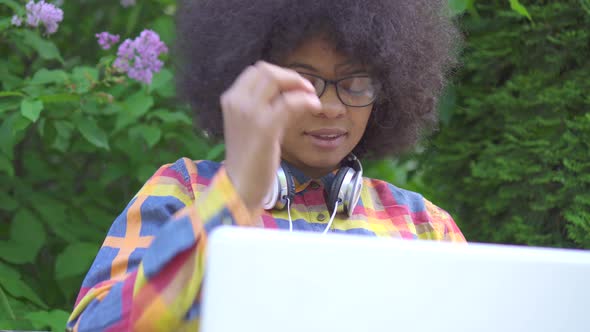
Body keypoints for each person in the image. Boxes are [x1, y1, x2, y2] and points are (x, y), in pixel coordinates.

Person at [67, 0, 465, 330]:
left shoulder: (425, 226)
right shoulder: (182, 190)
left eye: (355, 84)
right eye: (302, 82)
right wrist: (236, 192)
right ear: (248, 81)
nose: (329, 108)